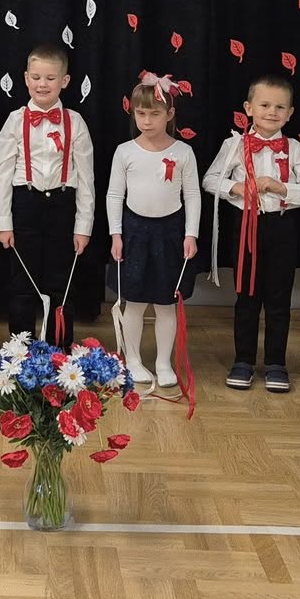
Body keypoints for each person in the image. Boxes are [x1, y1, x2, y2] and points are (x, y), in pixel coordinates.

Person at [204, 74, 300, 392]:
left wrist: (282, 188)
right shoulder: (234, 145)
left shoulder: (295, 149)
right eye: (265, 105)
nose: (272, 112)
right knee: (246, 297)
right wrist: (237, 188)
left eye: (280, 107)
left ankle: (275, 364)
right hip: (245, 227)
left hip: (282, 228)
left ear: (290, 113)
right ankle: (243, 361)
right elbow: (210, 180)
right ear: (249, 108)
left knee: (279, 298)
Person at [0, 42, 96, 343]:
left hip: (62, 207)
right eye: (36, 77)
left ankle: (59, 348)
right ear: (26, 79)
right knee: (21, 282)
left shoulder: (75, 122)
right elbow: (3, 175)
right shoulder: (14, 121)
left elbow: (86, 179)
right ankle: (20, 349)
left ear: (64, 81)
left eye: (50, 78)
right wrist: (3, 223)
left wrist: (83, 226)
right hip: (24, 204)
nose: (42, 84)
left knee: (61, 282)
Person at [107, 73, 200, 386]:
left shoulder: (183, 152)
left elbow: (193, 195)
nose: (147, 121)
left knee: (165, 303)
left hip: (170, 233)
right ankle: (133, 359)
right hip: (134, 232)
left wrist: (191, 234)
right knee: (133, 302)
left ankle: (163, 362)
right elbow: (114, 195)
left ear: (169, 114)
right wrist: (116, 235)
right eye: (141, 113)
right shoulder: (125, 151)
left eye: (155, 114)